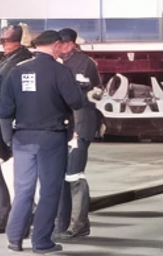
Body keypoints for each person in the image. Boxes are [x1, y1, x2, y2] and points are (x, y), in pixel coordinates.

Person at [0, 30, 86, 254]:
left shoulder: (17, 71)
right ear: (56, 45)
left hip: (22, 137)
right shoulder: (60, 71)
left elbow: (4, 110)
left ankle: (14, 238)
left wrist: (9, 137)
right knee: (49, 190)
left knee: (23, 189)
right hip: (51, 138)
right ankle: (41, 242)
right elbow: (76, 101)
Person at [0, 24, 33, 233]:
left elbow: (6, 96)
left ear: (18, 41)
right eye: (2, 40)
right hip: (6, 121)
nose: (3, 43)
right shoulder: (13, 59)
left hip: (8, 122)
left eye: (7, 40)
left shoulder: (17, 62)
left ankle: (10, 216)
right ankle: (15, 215)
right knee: (11, 168)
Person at [54, 28, 103, 240]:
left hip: (80, 125)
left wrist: (86, 91)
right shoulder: (56, 62)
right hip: (62, 125)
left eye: (66, 43)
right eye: (60, 43)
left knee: (74, 174)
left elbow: (97, 91)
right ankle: (62, 223)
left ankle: (79, 224)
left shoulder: (84, 63)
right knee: (62, 175)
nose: (62, 47)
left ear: (73, 43)